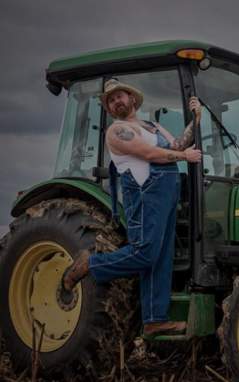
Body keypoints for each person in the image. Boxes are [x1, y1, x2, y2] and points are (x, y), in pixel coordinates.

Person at [61, 78, 202, 336]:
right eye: (111, 101)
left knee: (161, 258)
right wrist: (184, 157)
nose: (116, 102)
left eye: (120, 96)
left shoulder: (153, 126)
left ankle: (154, 320)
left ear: (132, 99)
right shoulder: (117, 132)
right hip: (145, 194)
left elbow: (177, 144)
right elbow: (150, 155)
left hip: (168, 194)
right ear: (109, 109)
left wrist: (197, 117)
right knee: (146, 253)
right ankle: (91, 264)